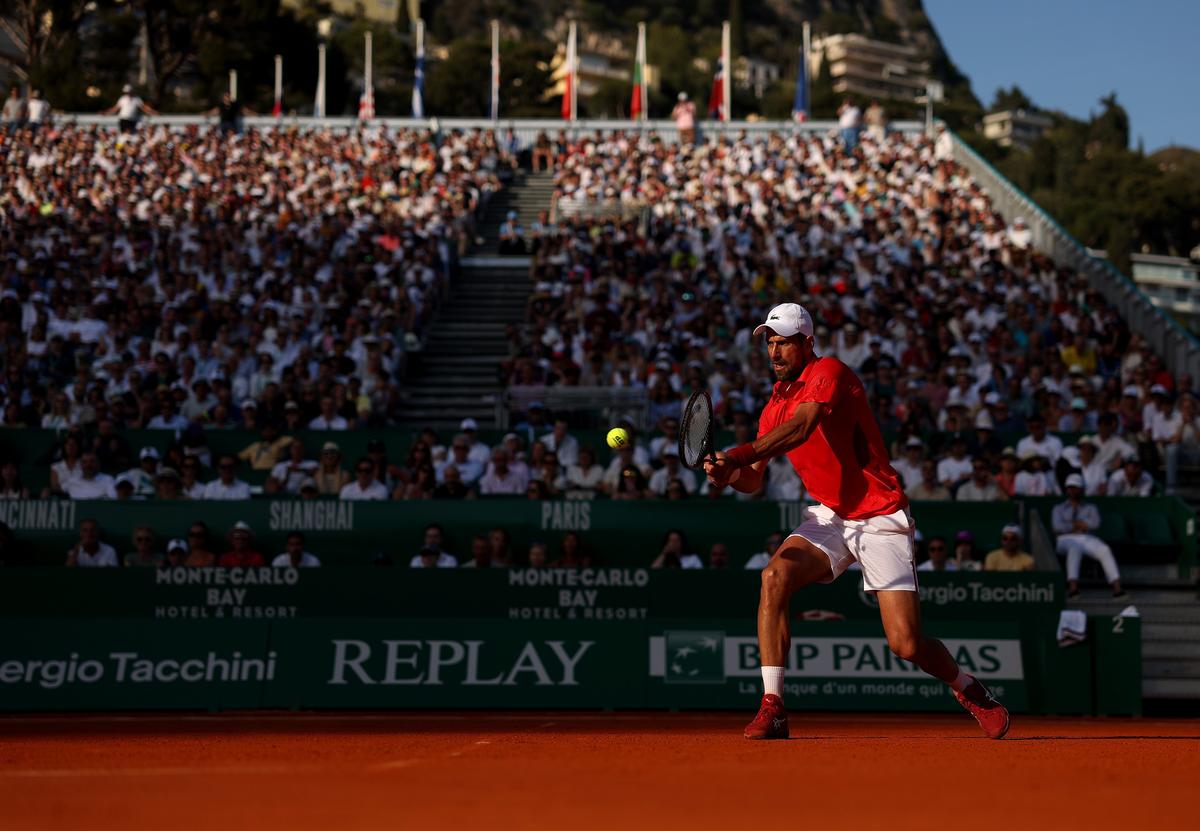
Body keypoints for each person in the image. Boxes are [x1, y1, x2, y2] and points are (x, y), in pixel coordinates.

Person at [704, 302, 1009, 740]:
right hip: (831, 516)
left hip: (881, 513)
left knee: (905, 644)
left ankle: (968, 688)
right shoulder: (773, 406)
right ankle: (774, 706)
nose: (774, 352)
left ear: (806, 343)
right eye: (770, 343)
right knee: (774, 577)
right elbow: (753, 480)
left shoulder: (831, 371)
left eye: (784, 343)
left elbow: (805, 427)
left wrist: (736, 454)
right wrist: (727, 474)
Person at [1052, 474, 1127, 600]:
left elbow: (1095, 524)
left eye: (1075, 488)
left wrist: (1072, 524)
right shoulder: (1058, 508)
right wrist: (1079, 525)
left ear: (1081, 490)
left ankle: (1117, 588)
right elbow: (1057, 527)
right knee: (1074, 548)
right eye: (1070, 488)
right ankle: (1073, 589)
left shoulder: (1091, 508)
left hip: (1086, 538)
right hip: (1064, 539)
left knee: (1104, 549)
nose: (1072, 491)